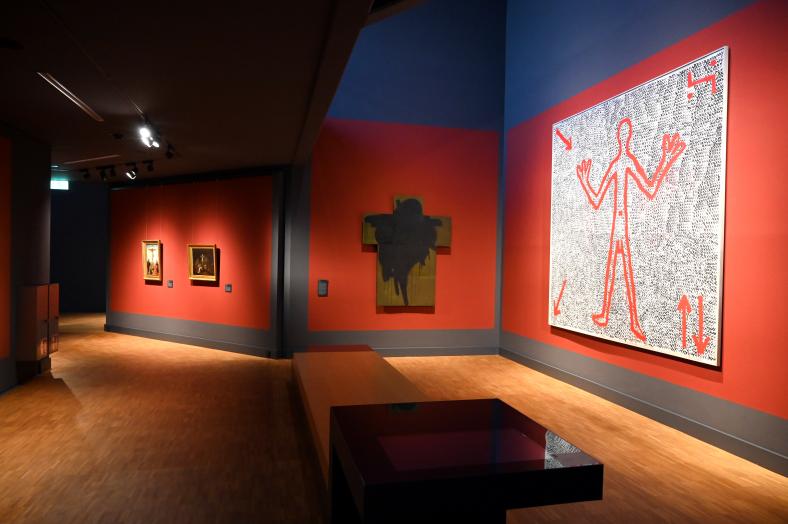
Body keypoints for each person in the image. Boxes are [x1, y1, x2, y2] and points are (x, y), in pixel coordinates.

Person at [575, 117, 685, 342]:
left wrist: (666, 161)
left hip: (623, 228)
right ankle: (610, 316)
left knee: (625, 272)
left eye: (626, 133)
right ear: (619, 138)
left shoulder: (628, 163)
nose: (624, 137)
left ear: (629, 137)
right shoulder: (616, 165)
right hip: (616, 228)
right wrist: (585, 182)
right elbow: (597, 199)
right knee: (614, 270)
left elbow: (650, 189)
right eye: (621, 134)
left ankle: (633, 322)